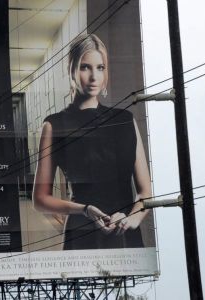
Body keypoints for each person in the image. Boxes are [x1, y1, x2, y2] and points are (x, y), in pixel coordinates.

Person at [32, 34, 152, 250]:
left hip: (125, 233)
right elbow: (40, 199)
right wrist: (84, 209)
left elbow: (145, 192)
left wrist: (131, 219)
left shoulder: (125, 120)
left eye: (100, 67)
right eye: (85, 67)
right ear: (71, 70)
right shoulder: (54, 126)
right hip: (82, 232)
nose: (94, 76)